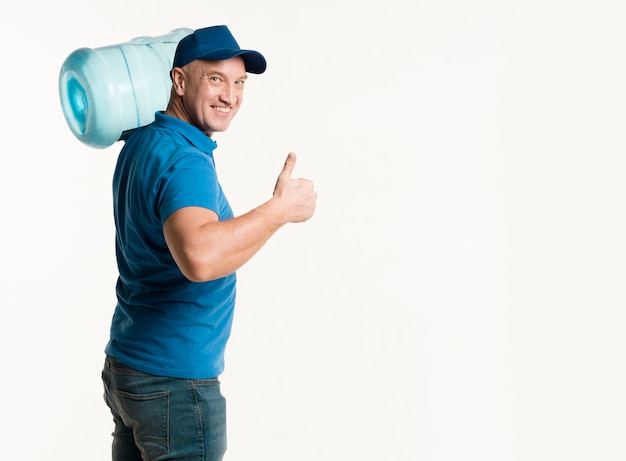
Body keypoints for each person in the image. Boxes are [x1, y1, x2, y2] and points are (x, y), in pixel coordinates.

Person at [101, 25, 317, 461]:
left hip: (129, 366)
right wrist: (279, 209)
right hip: (175, 384)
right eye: (215, 79)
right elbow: (199, 257)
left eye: (240, 83)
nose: (230, 97)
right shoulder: (185, 161)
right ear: (179, 81)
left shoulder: (143, 142)